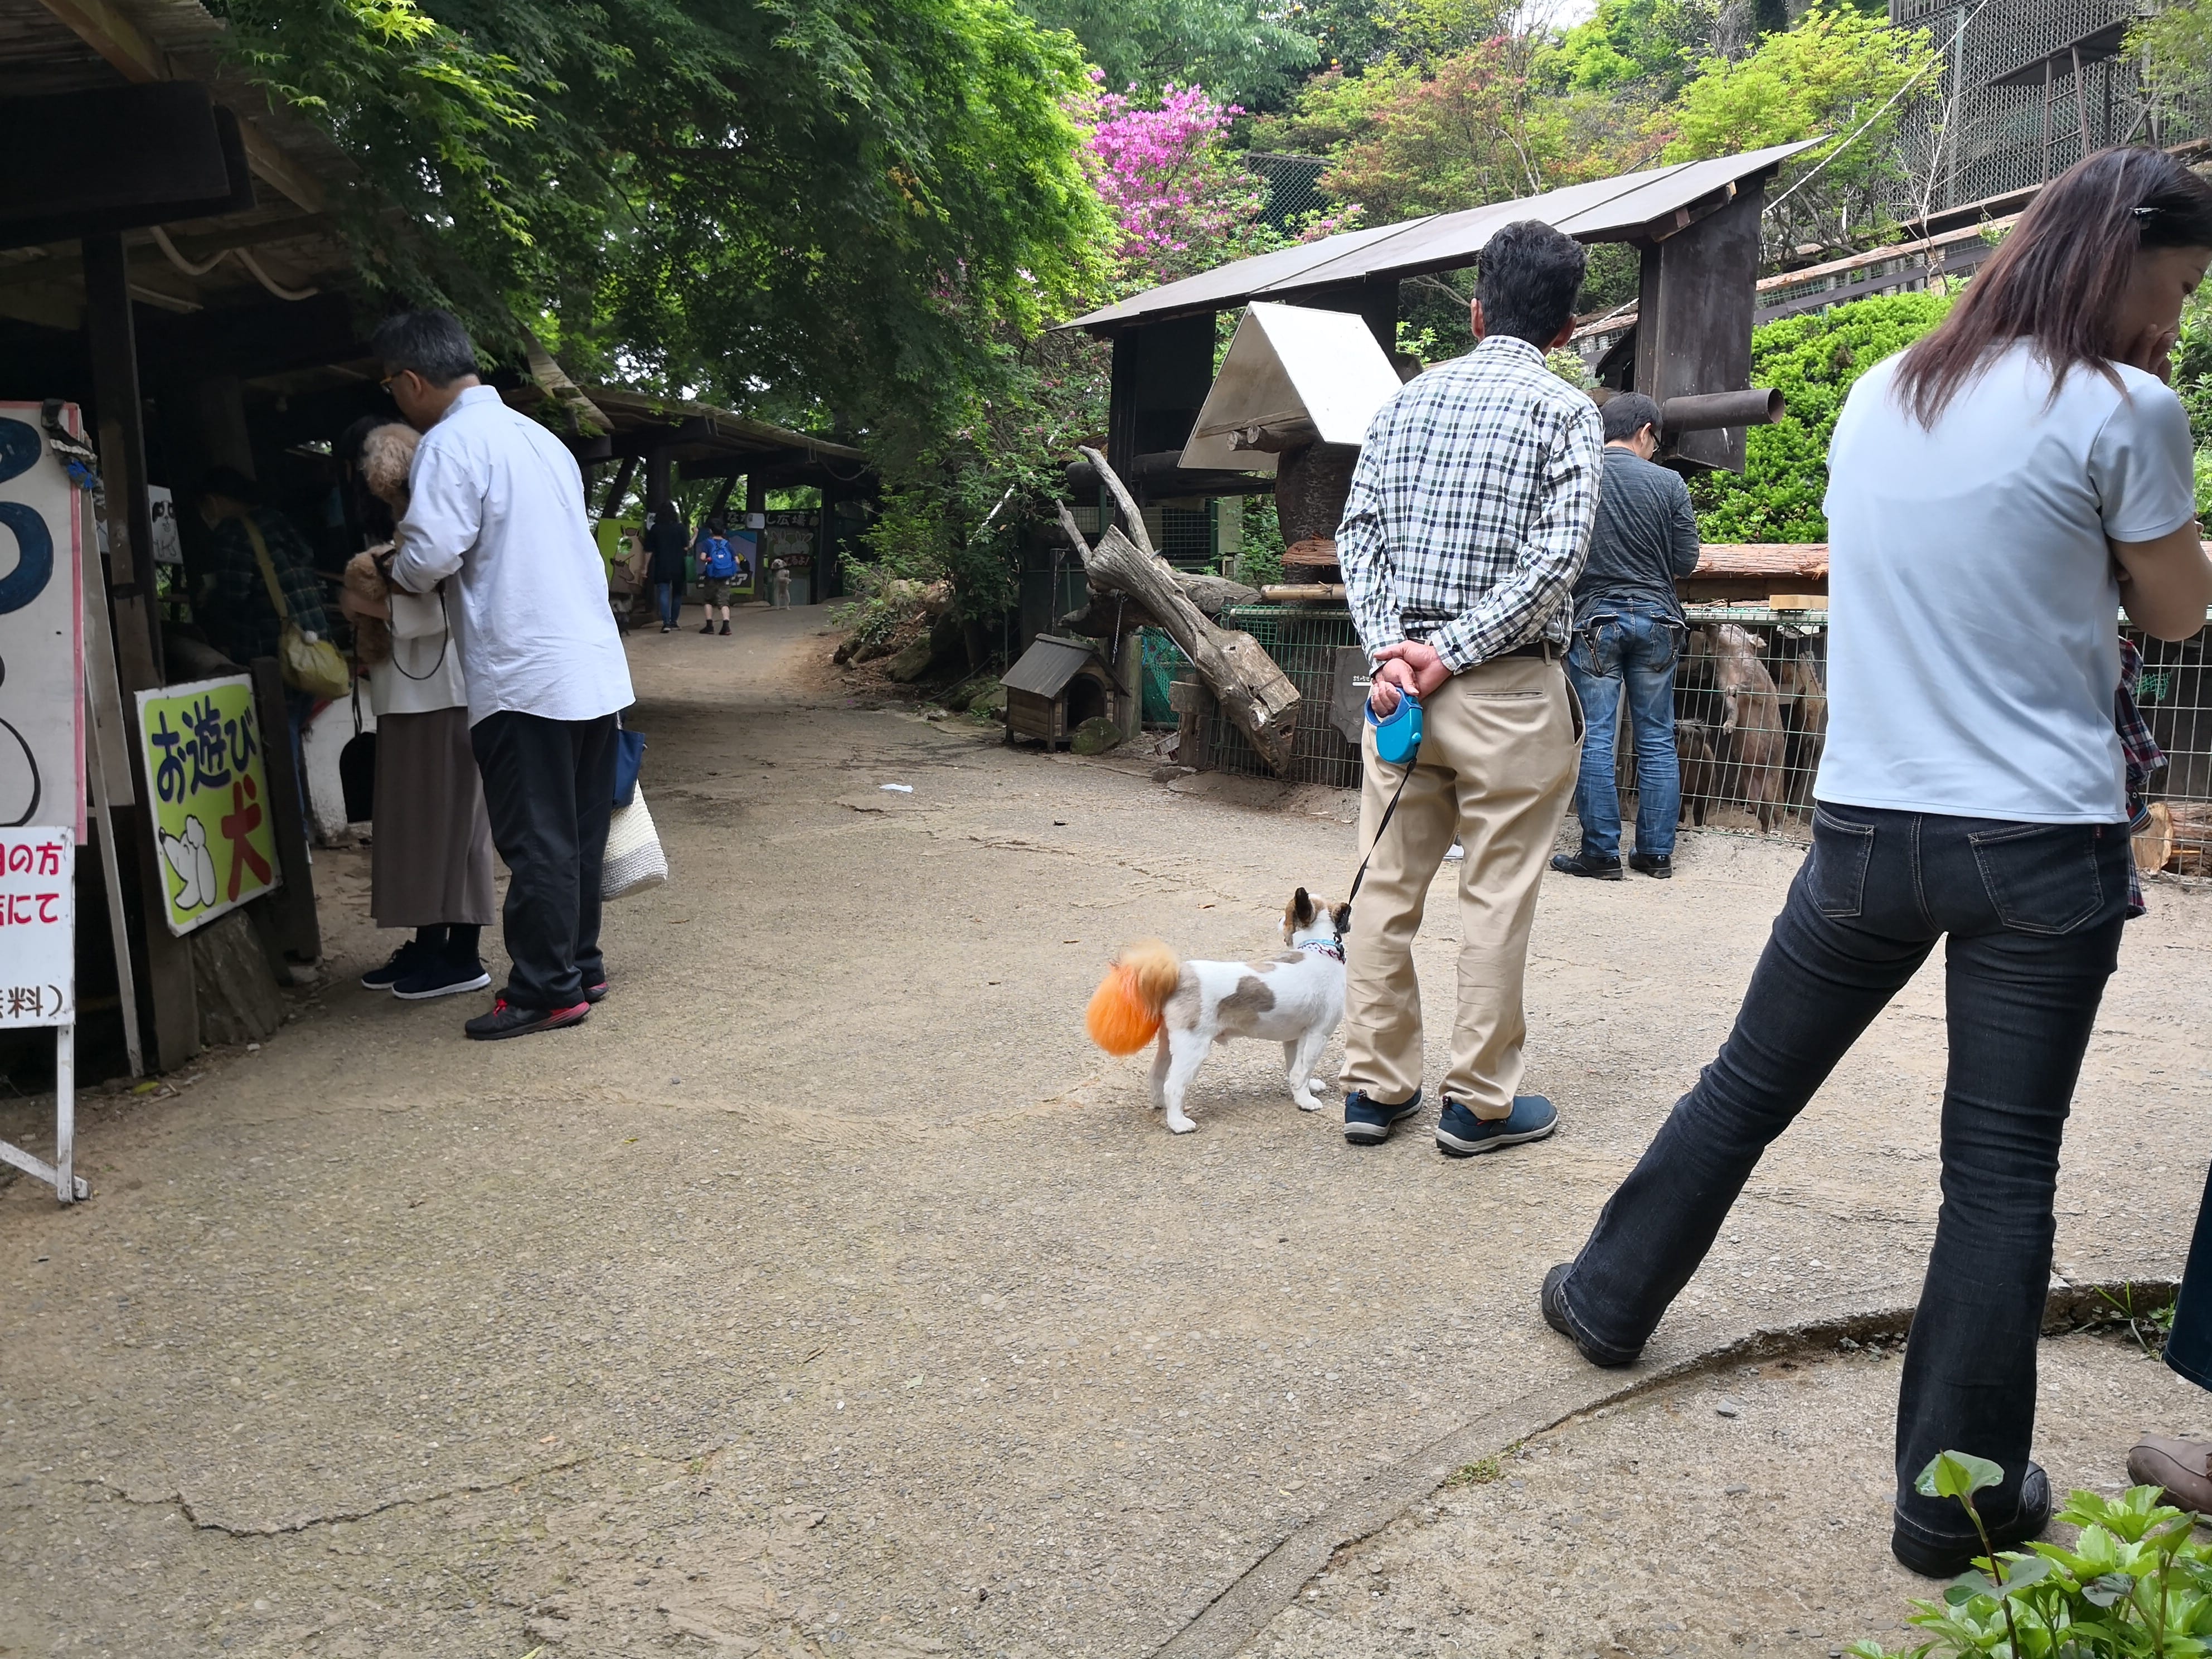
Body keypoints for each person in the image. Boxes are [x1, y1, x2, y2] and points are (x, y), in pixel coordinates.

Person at [1540, 148, 2212, 1578]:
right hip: (2037, 843)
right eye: (2172, 289)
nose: (2172, 323)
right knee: (1995, 1176)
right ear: (2120, 260)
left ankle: (1603, 1295)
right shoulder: (2124, 409)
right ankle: (1951, 1506)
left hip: (1862, 825)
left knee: (1743, 1086)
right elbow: (2171, 612)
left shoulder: (1882, 390)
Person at [1334, 219, 1603, 1157]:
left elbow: (1354, 536)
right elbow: (1555, 560)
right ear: (1564, 329)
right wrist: (1449, 651)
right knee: (1494, 897)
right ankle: (1476, 1106)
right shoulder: (1566, 412)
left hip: (1396, 697)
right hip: (1508, 697)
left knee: (1387, 890)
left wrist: (1394, 650)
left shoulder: (1401, 406)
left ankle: (1373, 1089)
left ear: (1476, 309)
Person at [378, 308, 637, 1041]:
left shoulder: (452, 444)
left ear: (410, 381)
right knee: (579, 831)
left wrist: (387, 568)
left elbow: (429, 557)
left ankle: (545, 989)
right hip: (587, 665)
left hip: (524, 672)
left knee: (537, 838)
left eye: (391, 388)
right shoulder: (540, 439)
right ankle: (581, 965)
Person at [336, 417, 496, 1002]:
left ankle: (462, 952)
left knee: (455, 824)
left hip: (447, 694)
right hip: (410, 695)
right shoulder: (412, 519)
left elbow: (442, 609)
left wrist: (366, 606)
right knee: (418, 826)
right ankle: (431, 944)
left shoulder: (440, 517)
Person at [1550, 391, 1702, 881]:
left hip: (1594, 622)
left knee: (1595, 737)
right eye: (1655, 439)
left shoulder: (1582, 477)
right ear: (1643, 432)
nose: (1656, 448)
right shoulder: (1670, 483)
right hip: (1659, 621)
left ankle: (1601, 855)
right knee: (1657, 737)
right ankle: (1656, 855)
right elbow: (1685, 562)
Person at [193, 466, 331, 837]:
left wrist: (209, 596)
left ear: (216, 501)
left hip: (274, 650)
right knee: (298, 732)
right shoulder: (280, 523)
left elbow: (235, 595)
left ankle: (293, 832)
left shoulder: (234, 533)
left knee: (279, 737)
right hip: (313, 646)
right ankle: (306, 823)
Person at [644, 503, 689, 633]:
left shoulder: (655, 529)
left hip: (662, 565)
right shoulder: (680, 528)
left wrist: (644, 568)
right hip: (678, 565)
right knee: (677, 594)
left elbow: (649, 551)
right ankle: (674, 622)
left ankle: (666, 623)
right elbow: (686, 547)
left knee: (663, 593)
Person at [696, 520, 739, 635]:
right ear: (723, 531)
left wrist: (709, 560)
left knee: (708, 600)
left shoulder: (708, 543)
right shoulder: (727, 544)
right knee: (724, 601)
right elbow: (737, 560)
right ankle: (726, 627)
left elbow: (702, 557)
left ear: (711, 530)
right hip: (726, 576)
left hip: (712, 575)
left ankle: (710, 626)